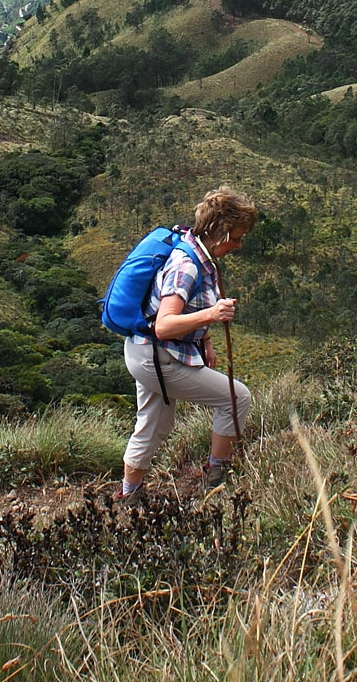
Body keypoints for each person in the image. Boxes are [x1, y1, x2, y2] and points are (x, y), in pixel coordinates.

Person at [119, 186, 259, 497]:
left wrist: (205, 339)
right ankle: (217, 475)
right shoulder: (187, 265)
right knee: (236, 398)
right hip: (157, 355)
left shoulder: (195, 249)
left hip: (145, 353)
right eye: (236, 237)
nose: (238, 244)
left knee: (155, 424)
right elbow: (165, 325)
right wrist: (212, 315)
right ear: (220, 232)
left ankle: (130, 493)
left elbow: (186, 305)